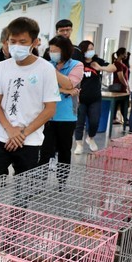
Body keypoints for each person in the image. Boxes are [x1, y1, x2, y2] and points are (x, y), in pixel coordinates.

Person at [0, 16, 60, 182]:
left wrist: (22, 133)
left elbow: (50, 109)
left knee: (23, 195)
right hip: (1, 137)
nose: (16, 46)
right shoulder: (3, 66)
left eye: (23, 42)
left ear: (35, 42)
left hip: (30, 141)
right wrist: (10, 130)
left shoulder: (45, 69)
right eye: (13, 41)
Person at [39, 36, 83, 170]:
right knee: (44, 151)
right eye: (50, 51)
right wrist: (65, 90)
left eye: (55, 50)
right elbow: (41, 88)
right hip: (46, 115)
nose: (52, 54)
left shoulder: (76, 65)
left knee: (64, 151)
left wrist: (52, 71)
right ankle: (40, 184)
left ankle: (61, 184)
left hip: (66, 116)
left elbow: (70, 83)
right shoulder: (47, 64)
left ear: (65, 51)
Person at [73, 41, 116, 154]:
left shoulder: (98, 61)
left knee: (94, 121)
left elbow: (113, 68)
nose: (90, 51)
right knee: (79, 123)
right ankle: (79, 144)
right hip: (81, 98)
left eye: (92, 48)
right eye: (88, 49)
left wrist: (100, 67)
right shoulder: (78, 63)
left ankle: (90, 138)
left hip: (95, 98)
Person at [111, 47, 130, 127]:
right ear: (122, 54)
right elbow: (120, 76)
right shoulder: (118, 63)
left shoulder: (121, 63)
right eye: (125, 53)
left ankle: (123, 119)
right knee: (122, 103)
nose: (126, 55)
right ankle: (124, 119)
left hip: (122, 87)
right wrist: (126, 85)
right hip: (119, 87)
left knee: (121, 103)